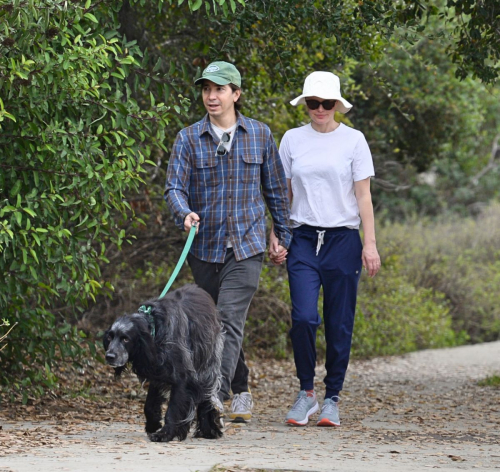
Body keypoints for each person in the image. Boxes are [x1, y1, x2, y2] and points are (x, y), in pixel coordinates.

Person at [165, 61, 292, 423]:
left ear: (236, 94)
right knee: (211, 326)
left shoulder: (261, 134)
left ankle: (212, 397)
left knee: (229, 320)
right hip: (204, 247)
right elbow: (174, 186)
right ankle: (242, 387)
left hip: (247, 245)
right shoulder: (188, 138)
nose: (211, 96)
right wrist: (184, 211)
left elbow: (276, 190)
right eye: (206, 89)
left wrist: (282, 234)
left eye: (219, 89)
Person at [270, 71, 381, 427]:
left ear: (337, 106)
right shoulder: (291, 140)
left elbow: (364, 196)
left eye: (326, 103)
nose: (319, 109)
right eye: (313, 103)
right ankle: (306, 394)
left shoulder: (354, 141)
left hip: (343, 240)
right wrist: (277, 233)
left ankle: (332, 396)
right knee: (303, 317)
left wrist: (371, 244)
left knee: (339, 323)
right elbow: (282, 194)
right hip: (302, 237)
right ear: (305, 104)